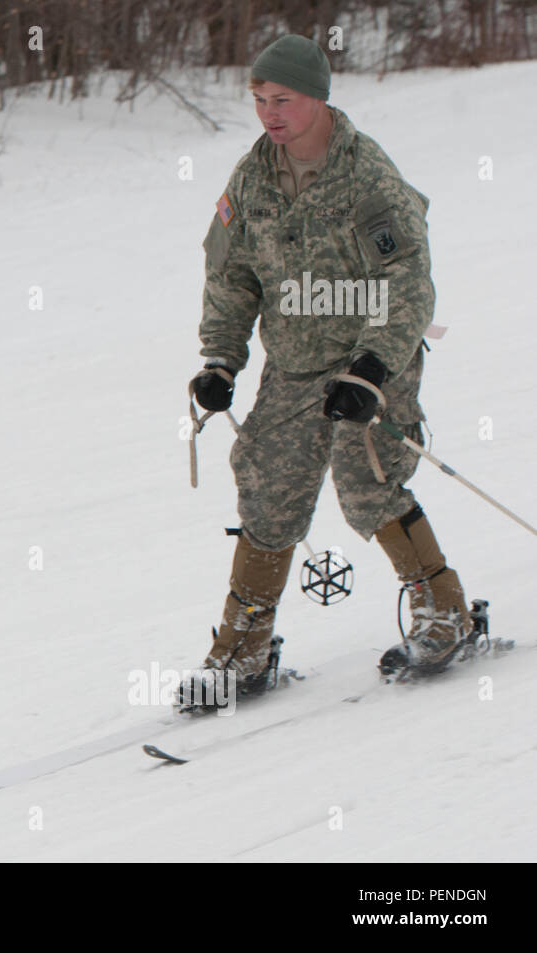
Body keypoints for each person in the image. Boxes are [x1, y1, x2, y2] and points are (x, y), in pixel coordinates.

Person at [188, 35, 470, 697]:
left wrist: (371, 368)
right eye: (259, 99)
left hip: (371, 354)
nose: (269, 113)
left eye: (282, 99)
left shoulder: (366, 173)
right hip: (294, 362)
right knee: (269, 491)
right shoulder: (252, 178)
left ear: (318, 97)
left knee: (367, 483)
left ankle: (444, 612)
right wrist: (222, 359)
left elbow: (408, 278)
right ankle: (244, 648)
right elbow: (230, 277)